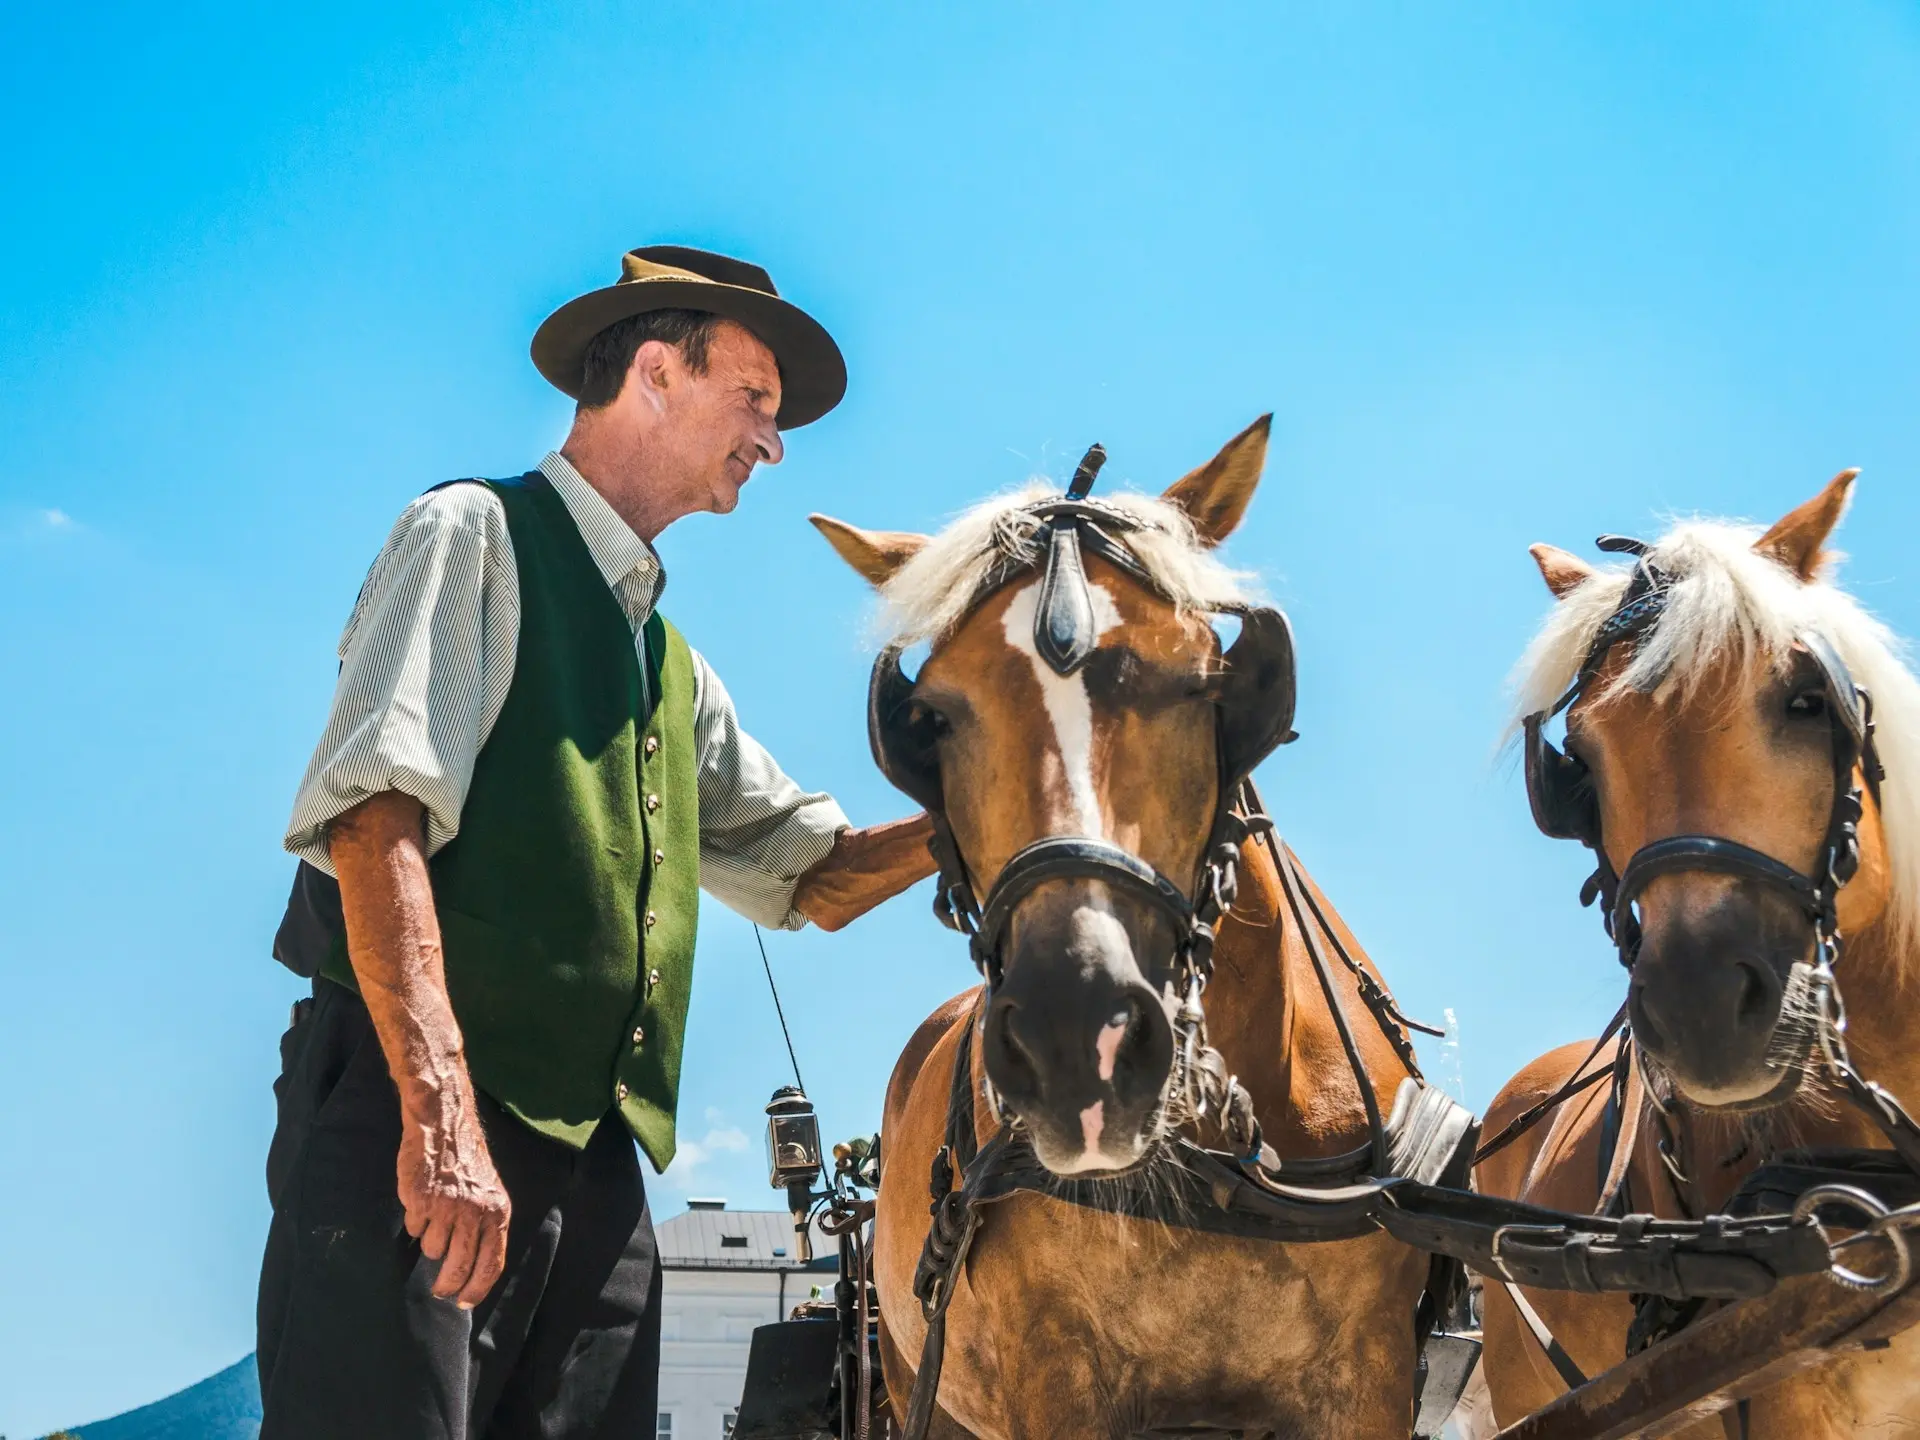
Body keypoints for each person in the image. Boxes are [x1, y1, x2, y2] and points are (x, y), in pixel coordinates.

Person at [256, 245, 935, 1438]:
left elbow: (813, 878)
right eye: (755, 399)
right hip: (416, 1113)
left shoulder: (669, 665)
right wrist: (438, 1113)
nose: (773, 442)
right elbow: (373, 819)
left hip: (598, 1162)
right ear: (657, 372)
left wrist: (998, 814)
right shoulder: (473, 534)